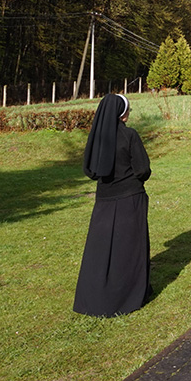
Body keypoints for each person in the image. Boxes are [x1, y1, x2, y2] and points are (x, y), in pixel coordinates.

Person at [73, 93, 152, 317]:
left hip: (104, 199)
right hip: (130, 197)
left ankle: (96, 298)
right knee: (129, 249)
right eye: (128, 109)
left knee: (102, 249)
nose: (129, 113)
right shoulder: (129, 135)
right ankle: (128, 295)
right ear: (120, 112)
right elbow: (142, 169)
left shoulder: (97, 138)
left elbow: (90, 169)